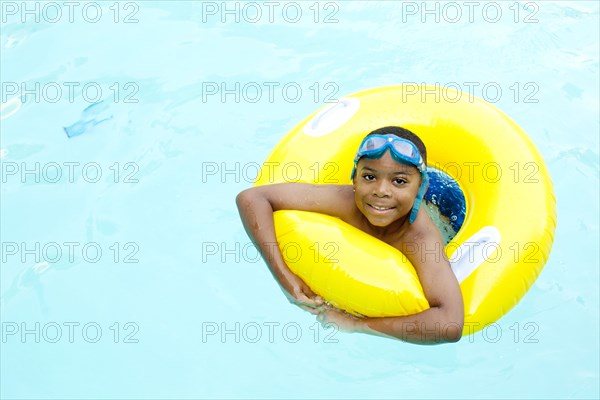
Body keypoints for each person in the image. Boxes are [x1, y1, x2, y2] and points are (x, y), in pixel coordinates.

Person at [236, 126, 464, 344]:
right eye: (369, 177)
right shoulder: (344, 200)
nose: (381, 191)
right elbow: (251, 198)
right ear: (354, 178)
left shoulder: (420, 239)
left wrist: (358, 324)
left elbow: (449, 324)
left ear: (421, 188)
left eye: (399, 181)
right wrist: (285, 279)